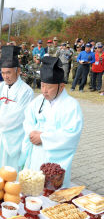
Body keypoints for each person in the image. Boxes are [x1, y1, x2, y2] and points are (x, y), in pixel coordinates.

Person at [20, 56, 83, 188]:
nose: (44, 91)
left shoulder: (71, 106)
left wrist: (43, 137)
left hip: (54, 157)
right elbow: (28, 120)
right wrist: (31, 133)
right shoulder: (38, 101)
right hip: (36, 153)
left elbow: (71, 134)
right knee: (32, 190)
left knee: (51, 192)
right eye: (42, 85)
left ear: (61, 87)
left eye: (49, 87)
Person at [0, 46, 33, 176]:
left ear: (18, 71)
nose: (5, 76)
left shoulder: (26, 91)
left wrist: (1, 123)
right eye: (3, 73)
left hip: (13, 135)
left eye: (8, 72)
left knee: (10, 170)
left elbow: (20, 114)